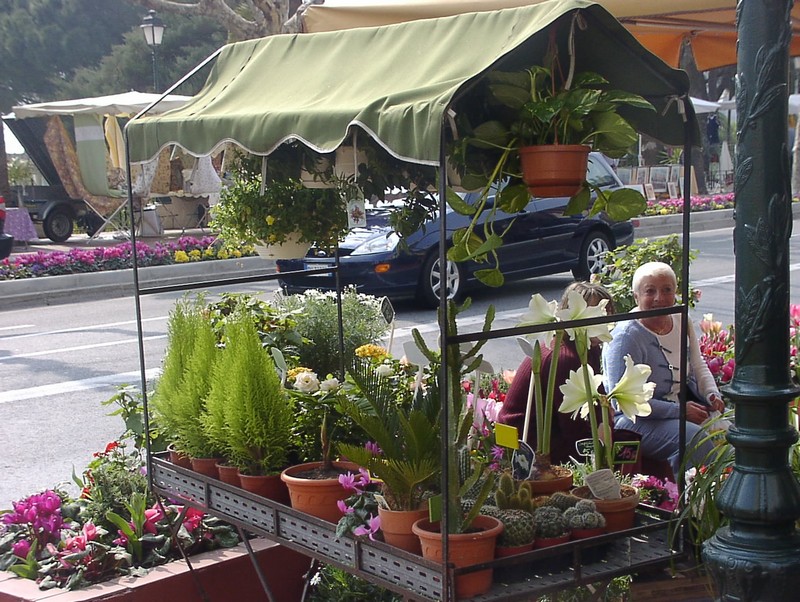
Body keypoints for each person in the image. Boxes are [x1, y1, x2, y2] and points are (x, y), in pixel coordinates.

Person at [601, 261, 725, 475]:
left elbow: (697, 363)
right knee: (693, 438)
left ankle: (714, 492)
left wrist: (712, 394)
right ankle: (698, 501)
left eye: (667, 290)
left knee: (729, 433)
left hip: (675, 410)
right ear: (636, 296)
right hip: (632, 420)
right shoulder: (625, 337)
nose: (659, 298)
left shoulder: (679, 318)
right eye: (650, 291)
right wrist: (679, 412)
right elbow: (621, 401)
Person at [498, 281, 615, 465]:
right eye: (596, 312)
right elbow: (572, 426)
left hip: (552, 428)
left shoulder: (587, 346)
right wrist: (600, 453)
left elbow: (596, 396)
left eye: (607, 312)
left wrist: (604, 419)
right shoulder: (564, 358)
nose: (605, 319)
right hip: (530, 442)